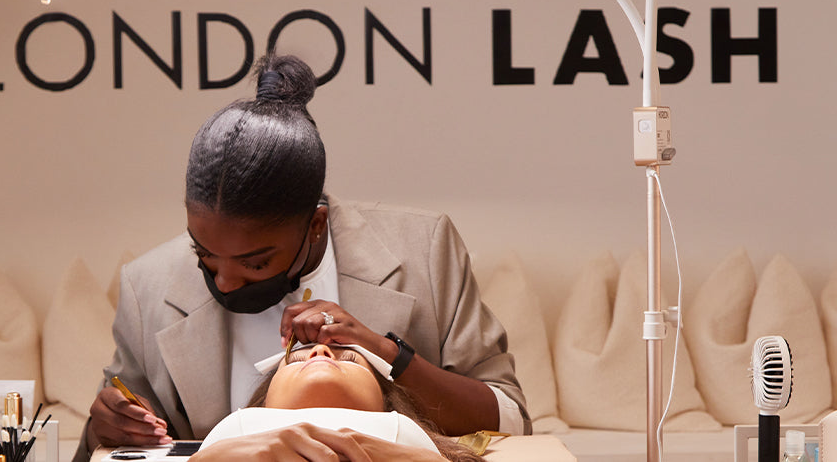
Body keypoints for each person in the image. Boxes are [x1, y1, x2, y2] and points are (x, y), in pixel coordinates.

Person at [74, 54, 528, 461]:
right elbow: (101, 445)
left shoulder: (424, 249)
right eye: (205, 255)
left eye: (254, 263)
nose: (226, 282)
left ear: (315, 224)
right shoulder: (148, 286)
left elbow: (509, 418)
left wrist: (385, 351)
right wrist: (105, 428)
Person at [190, 343, 484, 462]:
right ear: (263, 403)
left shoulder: (403, 432)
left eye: (349, 357)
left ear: (386, 403)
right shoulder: (236, 428)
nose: (320, 350)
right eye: (294, 360)